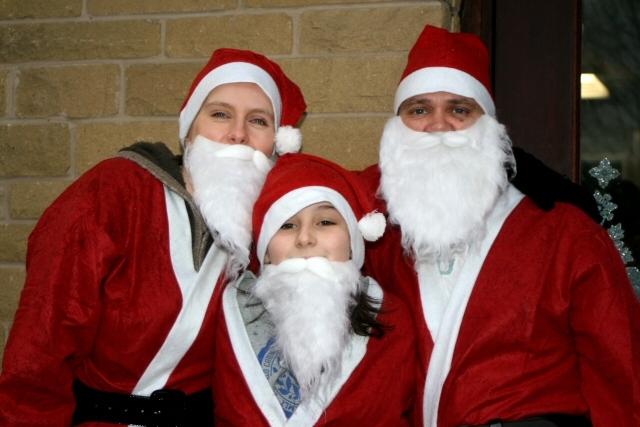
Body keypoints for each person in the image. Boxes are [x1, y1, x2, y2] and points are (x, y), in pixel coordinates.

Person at [0, 48, 306, 427]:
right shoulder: (113, 191)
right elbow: (41, 344)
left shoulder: (277, 226)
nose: (238, 134)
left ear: (277, 143)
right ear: (189, 129)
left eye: (258, 121)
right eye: (220, 114)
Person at [361, 25, 640, 427]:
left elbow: (621, 374)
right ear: (396, 130)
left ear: (488, 127)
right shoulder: (372, 229)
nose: (439, 126)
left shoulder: (565, 234)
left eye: (459, 110)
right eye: (419, 110)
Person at [211, 153, 417, 426]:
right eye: (287, 225)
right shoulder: (231, 311)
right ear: (266, 253)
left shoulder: (391, 317)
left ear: (353, 243)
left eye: (325, 222)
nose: (305, 238)